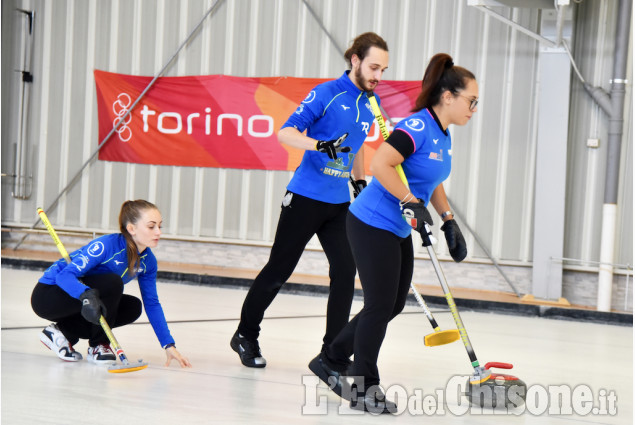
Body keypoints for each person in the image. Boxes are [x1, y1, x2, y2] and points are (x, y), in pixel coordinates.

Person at [308, 53, 475, 413]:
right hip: (371, 222)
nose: (474, 108)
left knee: (393, 304)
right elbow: (380, 163)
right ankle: (364, 384)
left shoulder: (443, 134)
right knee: (379, 305)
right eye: (471, 101)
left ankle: (331, 358)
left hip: (397, 226)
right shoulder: (417, 127)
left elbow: (434, 179)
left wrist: (448, 220)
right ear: (448, 96)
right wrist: (409, 200)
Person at [230, 32, 390, 368]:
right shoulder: (327, 94)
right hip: (304, 196)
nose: (378, 76)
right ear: (355, 60)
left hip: (338, 203)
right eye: (374, 67)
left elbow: (358, 144)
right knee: (279, 270)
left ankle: (331, 352)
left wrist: (359, 181)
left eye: (383, 70)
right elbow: (285, 132)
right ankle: (245, 334)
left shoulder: (370, 102)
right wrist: (319, 145)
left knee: (345, 272)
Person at [32, 199, 192, 368]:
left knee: (132, 307)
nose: (158, 232)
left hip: (83, 299)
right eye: (151, 226)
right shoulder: (106, 245)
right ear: (131, 228)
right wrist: (85, 294)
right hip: (49, 295)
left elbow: (151, 303)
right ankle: (99, 345)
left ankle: (63, 332)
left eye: (160, 226)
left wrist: (168, 344)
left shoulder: (148, 262)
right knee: (112, 283)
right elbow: (64, 277)